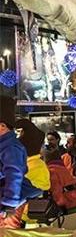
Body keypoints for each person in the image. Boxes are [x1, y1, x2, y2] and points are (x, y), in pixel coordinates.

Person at [0, 96, 41, 228]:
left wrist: (10, 202)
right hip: (6, 199)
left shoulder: (11, 147)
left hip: (9, 203)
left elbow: (14, 174)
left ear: (2, 126)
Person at [42, 146, 76, 213]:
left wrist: (60, 208)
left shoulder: (51, 172)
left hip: (69, 204)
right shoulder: (62, 168)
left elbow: (56, 192)